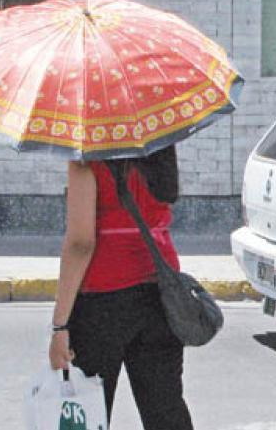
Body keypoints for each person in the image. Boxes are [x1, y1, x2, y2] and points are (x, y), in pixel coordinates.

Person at [47, 146, 192, 430]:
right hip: (161, 292)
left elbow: (80, 243)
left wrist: (59, 326)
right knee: (166, 412)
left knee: (88, 414)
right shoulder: (160, 147)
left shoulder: (87, 157)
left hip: (100, 302)